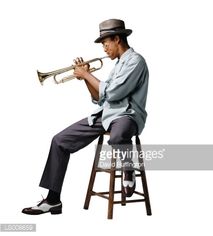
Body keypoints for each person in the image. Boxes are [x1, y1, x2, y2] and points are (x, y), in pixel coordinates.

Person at [22, 19, 149, 215]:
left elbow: (114, 94)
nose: (104, 49)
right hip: (106, 114)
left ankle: (128, 169)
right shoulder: (117, 66)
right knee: (59, 141)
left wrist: (87, 75)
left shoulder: (135, 61)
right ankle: (53, 200)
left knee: (117, 137)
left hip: (127, 115)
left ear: (117, 39)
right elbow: (100, 97)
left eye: (106, 44)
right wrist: (85, 77)